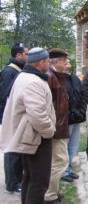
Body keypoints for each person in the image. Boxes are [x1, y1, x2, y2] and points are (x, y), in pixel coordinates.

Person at [0, 47, 56, 204]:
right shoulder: (32, 81)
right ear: (42, 62)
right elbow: (37, 114)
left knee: (29, 178)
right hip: (36, 138)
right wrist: (49, 131)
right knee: (39, 181)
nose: (49, 64)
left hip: (31, 137)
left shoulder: (25, 77)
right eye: (47, 61)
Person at [0, 42, 28, 195]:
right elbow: (5, 97)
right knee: (12, 150)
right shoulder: (9, 72)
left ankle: (18, 179)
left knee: (18, 151)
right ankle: (12, 184)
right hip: (11, 118)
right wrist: (11, 118)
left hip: (15, 118)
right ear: (18, 55)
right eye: (26, 53)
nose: (28, 56)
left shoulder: (18, 70)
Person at [45, 48, 71, 204]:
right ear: (55, 62)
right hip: (56, 128)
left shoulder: (56, 76)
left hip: (59, 126)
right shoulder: (50, 77)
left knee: (56, 160)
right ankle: (49, 195)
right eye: (63, 60)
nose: (66, 62)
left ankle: (52, 191)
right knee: (60, 161)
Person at [61, 59, 86, 182]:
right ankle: (64, 171)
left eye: (68, 60)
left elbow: (81, 94)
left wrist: (82, 110)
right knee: (63, 146)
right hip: (66, 119)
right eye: (64, 61)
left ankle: (69, 169)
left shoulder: (74, 79)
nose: (67, 62)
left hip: (76, 118)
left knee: (73, 146)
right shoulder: (58, 79)